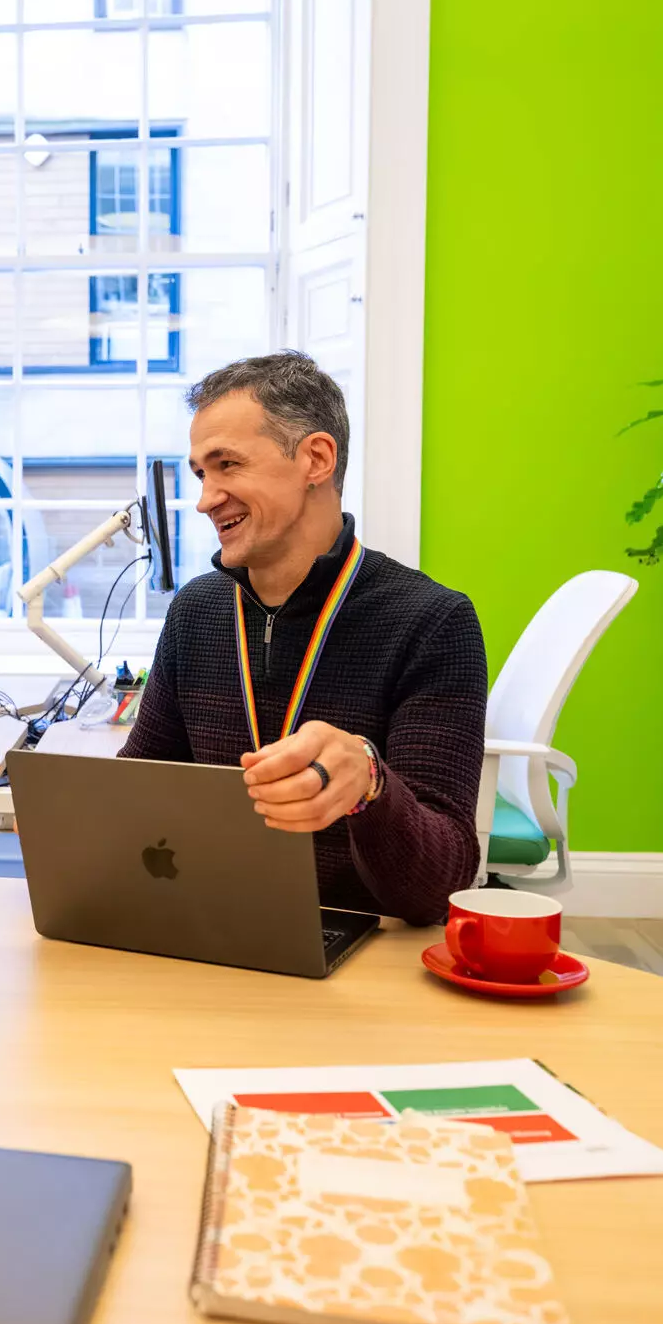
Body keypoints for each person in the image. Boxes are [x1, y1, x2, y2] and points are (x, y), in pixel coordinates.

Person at [120, 353, 488, 926]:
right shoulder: (197, 610)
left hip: (357, 942)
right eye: (201, 474)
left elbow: (440, 886)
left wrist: (370, 784)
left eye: (227, 465)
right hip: (211, 930)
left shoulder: (433, 622)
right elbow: (141, 787)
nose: (205, 498)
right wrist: (77, 813)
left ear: (316, 458)